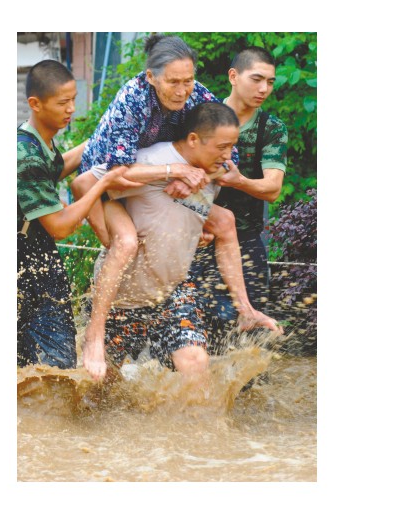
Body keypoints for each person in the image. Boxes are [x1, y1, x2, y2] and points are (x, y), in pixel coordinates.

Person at [71, 34, 240, 378]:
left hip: (154, 182)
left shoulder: (198, 93)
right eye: (173, 82)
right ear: (151, 76)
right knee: (126, 243)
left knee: (221, 221)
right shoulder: (132, 98)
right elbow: (116, 171)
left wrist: (199, 179)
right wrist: (173, 170)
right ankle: (94, 336)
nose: (182, 90)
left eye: (188, 80)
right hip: (105, 185)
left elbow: (227, 154)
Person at [80, 102, 281, 381]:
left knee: (195, 363)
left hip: (170, 292)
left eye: (232, 146)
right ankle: (94, 334)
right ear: (194, 140)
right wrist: (110, 238)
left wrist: (245, 309)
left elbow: (215, 213)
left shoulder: (212, 168)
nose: (228, 154)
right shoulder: (151, 161)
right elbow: (85, 184)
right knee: (100, 388)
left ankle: (196, 426)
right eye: (222, 147)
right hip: (120, 296)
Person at [17, 59, 127, 369]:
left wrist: (100, 141)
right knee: (56, 370)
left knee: (34, 369)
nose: (71, 109)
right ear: (35, 104)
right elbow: (60, 227)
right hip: (26, 266)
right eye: (63, 102)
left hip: (37, 262)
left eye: (73, 100)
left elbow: (54, 168)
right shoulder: (24, 156)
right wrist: (102, 181)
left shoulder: (38, 143)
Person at [187, 47, 288, 352]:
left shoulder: (270, 128)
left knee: (250, 345)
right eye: (257, 79)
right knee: (194, 337)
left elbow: (273, 188)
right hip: (197, 241)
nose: (264, 89)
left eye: (270, 82)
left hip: (245, 244)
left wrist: (239, 181)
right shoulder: (203, 117)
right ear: (233, 76)